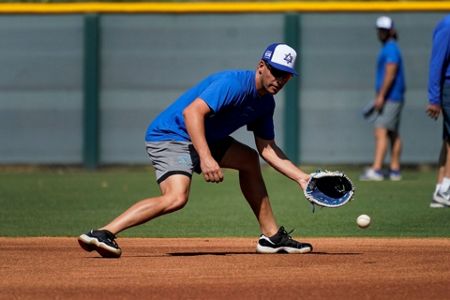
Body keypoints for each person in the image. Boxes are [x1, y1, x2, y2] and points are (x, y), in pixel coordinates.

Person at [78, 43, 313, 258]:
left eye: (286, 75)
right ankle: (103, 233)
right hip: (172, 135)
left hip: (205, 138)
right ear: (261, 66)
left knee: (249, 160)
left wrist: (302, 179)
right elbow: (192, 113)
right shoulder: (234, 84)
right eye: (276, 71)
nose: (280, 79)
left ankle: (271, 237)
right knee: (176, 197)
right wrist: (206, 158)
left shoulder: (265, 103)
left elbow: (267, 149)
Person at [360, 16, 406, 181]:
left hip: (390, 97)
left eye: (384, 30)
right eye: (380, 30)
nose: (381, 33)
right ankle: (394, 170)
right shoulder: (389, 47)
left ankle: (377, 169)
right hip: (393, 96)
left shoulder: (391, 48)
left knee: (380, 130)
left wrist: (381, 96)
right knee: (393, 133)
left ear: (391, 31)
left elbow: (391, 72)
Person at [426, 14, 450, 208]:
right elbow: (437, 62)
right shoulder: (448, 25)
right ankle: (446, 190)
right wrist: (434, 98)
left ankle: (441, 189)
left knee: (448, 140)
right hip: (449, 86)